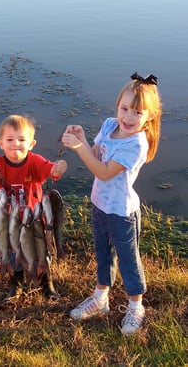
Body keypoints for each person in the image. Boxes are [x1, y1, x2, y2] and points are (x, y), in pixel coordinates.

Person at [62, 72, 162, 334]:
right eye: (124, 108)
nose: (128, 117)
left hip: (122, 212)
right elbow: (97, 156)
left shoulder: (137, 144)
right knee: (103, 255)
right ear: (117, 105)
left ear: (150, 116)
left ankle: (135, 306)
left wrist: (78, 149)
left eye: (137, 113)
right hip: (99, 205)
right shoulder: (109, 125)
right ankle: (100, 298)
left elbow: (104, 172)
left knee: (129, 260)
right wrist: (83, 139)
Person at [0, 114, 67, 305]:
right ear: (1, 143)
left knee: (42, 253)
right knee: (11, 254)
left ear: (32, 143)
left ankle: (46, 284)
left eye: (21, 139)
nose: (15, 144)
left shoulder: (35, 162)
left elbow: (51, 170)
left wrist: (59, 168)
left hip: (34, 222)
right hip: (8, 224)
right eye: (9, 139)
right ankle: (15, 285)